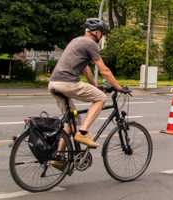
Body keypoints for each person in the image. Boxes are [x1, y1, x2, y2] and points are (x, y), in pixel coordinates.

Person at [48, 18, 125, 170]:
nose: (102, 36)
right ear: (96, 32)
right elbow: (104, 70)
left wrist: (95, 86)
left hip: (53, 84)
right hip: (68, 82)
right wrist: (119, 87)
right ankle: (83, 133)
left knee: (71, 123)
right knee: (101, 98)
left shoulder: (76, 41)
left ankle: (59, 157)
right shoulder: (91, 44)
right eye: (102, 33)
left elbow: (86, 69)